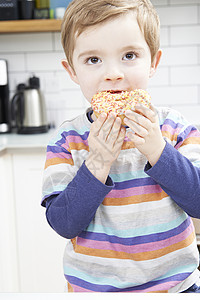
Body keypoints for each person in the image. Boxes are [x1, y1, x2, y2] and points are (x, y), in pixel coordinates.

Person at [41, 0, 200, 293]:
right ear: (72, 71)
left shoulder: (175, 128)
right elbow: (63, 223)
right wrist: (98, 162)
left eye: (129, 55)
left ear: (153, 62)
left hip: (176, 288)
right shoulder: (67, 140)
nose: (113, 73)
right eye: (93, 60)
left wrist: (157, 150)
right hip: (94, 291)